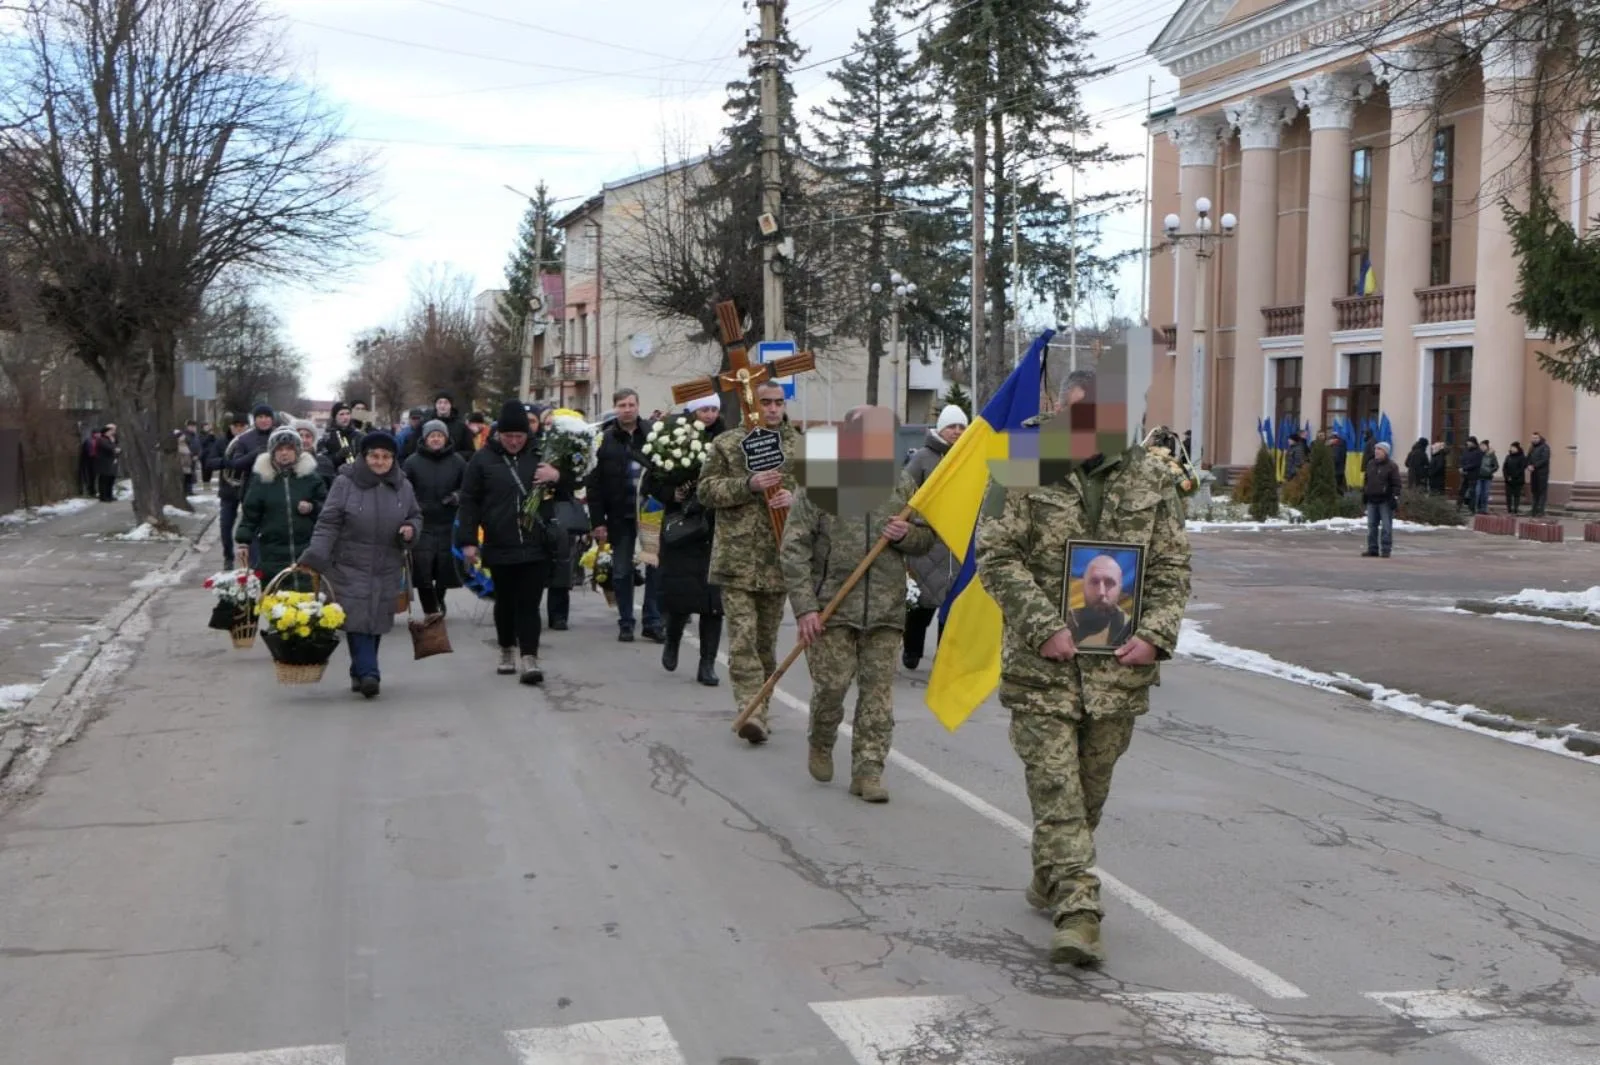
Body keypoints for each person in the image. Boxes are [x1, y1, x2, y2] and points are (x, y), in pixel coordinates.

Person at [974, 371, 1192, 967]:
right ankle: (1079, 909)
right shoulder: (1026, 463)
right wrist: (1042, 625)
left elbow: (1172, 568)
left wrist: (1155, 635)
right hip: (1041, 667)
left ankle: (1051, 873)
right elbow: (995, 555)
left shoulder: (1154, 477)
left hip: (1117, 674)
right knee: (1056, 787)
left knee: (1088, 794)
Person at [781, 406, 934, 803]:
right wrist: (804, 607)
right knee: (831, 687)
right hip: (832, 606)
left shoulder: (900, 483)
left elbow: (926, 538)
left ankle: (869, 771)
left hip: (885, 606)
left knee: (878, 695)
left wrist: (906, 535)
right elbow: (793, 548)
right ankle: (822, 737)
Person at [697, 380, 801, 745]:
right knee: (742, 640)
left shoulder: (800, 444)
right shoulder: (726, 443)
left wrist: (797, 497)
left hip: (779, 559)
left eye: (778, 402)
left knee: (765, 644)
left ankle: (762, 706)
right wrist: (748, 485)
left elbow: (827, 495)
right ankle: (750, 709)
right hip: (737, 559)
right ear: (751, 405)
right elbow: (706, 490)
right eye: (765, 402)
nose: (773, 409)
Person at [299, 432, 422, 698]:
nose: (380, 462)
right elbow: (329, 522)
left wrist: (411, 529)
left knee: (375, 620)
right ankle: (370, 673)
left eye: (386, 457)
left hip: (387, 563)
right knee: (356, 618)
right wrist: (315, 557)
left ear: (393, 459)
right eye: (374, 456)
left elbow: (415, 515)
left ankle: (358, 671)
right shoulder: (345, 483)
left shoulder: (403, 485)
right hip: (349, 562)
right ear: (364, 458)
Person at [456, 400, 563, 684]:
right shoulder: (482, 459)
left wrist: (557, 477)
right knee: (505, 602)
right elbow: (469, 502)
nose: (514, 442)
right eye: (508, 436)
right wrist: (468, 540)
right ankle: (506, 648)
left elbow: (568, 491)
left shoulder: (542, 453)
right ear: (498, 434)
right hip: (499, 542)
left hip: (536, 542)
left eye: (519, 436)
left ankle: (529, 657)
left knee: (529, 603)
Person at [648, 394, 726, 686]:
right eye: (704, 409)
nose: (709, 414)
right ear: (692, 412)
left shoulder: (727, 439)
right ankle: (673, 640)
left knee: (713, 603)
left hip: (715, 530)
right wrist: (674, 494)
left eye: (714, 409)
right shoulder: (671, 438)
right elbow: (651, 482)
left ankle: (707, 664)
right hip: (681, 531)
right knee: (681, 596)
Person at [587, 388, 663, 642]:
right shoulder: (604, 440)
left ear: (638, 406)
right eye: (622, 405)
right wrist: (597, 521)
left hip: (651, 513)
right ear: (615, 408)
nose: (627, 409)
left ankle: (653, 620)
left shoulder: (654, 434)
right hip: (619, 514)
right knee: (621, 571)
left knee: (654, 567)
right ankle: (626, 621)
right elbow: (594, 485)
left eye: (631, 404)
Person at [903, 404, 967, 669]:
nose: (957, 431)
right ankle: (912, 650)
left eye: (962, 427)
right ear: (940, 428)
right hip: (927, 544)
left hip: (958, 545)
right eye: (952, 426)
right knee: (922, 605)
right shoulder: (922, 458)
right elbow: (905, 493)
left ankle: (945, 658)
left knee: (953, 608)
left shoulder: (969, 457)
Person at [234, 427, 326, 585]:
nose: (284, 453)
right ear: (272, 452)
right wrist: (243, 542)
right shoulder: (262, 480)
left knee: (307, 600)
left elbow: (326, 507)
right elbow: (250, 514)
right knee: (276, 600)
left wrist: (312, 507)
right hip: (272, 552)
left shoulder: (310, 477)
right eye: (279, 449)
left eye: (289, 448)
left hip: (306, 550)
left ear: (297, 451)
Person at [403, 419, 468, 616]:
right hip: (422, 523)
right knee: (422, 569)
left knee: (444, 568)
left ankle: (439, 599)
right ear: (425, 438)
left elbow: (468, 487)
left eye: (440, 435)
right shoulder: (412, 462)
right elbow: (404, 489)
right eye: (432, 436)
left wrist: (457, 496)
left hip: (448, 522)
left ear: (446, 438)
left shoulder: (458, 461)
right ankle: (430, 608)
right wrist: (414, 505)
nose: (436, 439)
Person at [1069, 554, 1135, 648]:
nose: (1101, 592)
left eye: (1109, 583)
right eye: (1094, 582)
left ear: (1120, 588)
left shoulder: (1133, 630)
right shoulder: (1060, 624)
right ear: (1084, 586)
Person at [1361, 440, 1403, 558]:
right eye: (1376, 449)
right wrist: (1364, 492)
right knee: (1371, 525)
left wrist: (1394, 496)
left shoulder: (1392, 466)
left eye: (1379, 449)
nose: (1376, 451)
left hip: (1385, 500)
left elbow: (1397, 483)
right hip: (1371, 500)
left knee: (1386, 526)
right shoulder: (1370, 464)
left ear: (1385, 452)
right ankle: (1372, 548)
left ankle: (1386, 549)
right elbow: (1366, 480)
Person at [319, 403, 364, 469]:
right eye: (341, 414)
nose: (345, 417)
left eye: (348, 413)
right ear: (335, 417)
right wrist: (338, 456)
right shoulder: (326, 437)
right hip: (334, 475)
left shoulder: (358, 435)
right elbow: (322, 461)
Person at [1527, 432, 1551, 516]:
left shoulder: (1545, 447)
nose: (1534, 439)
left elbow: (1544, 459)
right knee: (1534, 492)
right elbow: (1528, 458)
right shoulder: (1532, 447)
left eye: (1536, 438)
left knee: (1541, 492)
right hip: (1533, 473)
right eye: (1533, 438)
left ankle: (1541, 510)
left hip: (1542, 473)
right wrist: (1528, 465)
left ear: (1540, 438)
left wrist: (1534, 466)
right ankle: (1534, 510)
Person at [1502, 442, 1527, 515]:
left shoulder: (1522, 457)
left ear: (1517, 448)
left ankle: (1516, 508)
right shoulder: (1508, 457)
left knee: (1516, 495)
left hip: (1518, 480)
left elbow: (1521, 468)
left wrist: (1513, 477)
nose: (1511, 449)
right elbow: (1504, 467)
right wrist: (1507, 476)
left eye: (1513, 447)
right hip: (1508, 480)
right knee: (1508, 495)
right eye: (1511, 447)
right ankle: (1509, 509)